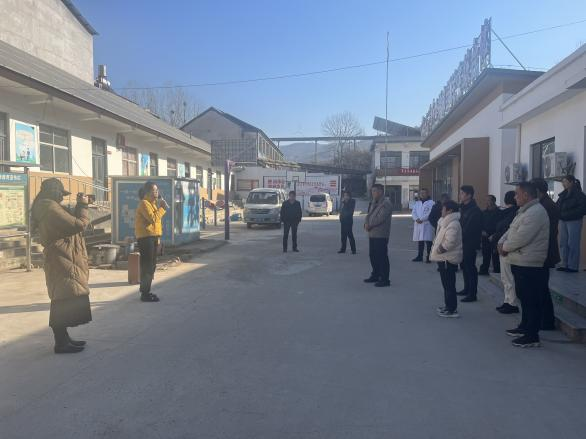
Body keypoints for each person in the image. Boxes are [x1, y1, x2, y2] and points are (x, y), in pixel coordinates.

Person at [31, 178, 92, 354]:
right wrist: (83, 206)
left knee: (64, 297)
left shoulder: (48, 206)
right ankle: (61, 343)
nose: (62, 198)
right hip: (61, 258)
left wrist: (78, 207)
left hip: (62, 256)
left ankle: (64, 339)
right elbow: (78, 224)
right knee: (61, 301)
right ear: (54, 192)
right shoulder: (50, 208)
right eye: (61, 194)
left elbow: (69, 223)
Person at [498, 182, 550, 348]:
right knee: (524, 297)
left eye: (517, 194)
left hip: (530, 264)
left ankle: (532, 335)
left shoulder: (536, 212)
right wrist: (501, 242)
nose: (515, 197)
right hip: (520, 261)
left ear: (526, 195)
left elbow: (521, 237)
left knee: (530, 300)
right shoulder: (524, 211)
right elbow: (511, 231)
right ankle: (524, 326)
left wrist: (504, 247)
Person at [532, 178, 560, 330]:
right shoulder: (542, 204)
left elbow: (546, 232)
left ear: (537, 191)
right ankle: (544, 319)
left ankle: (547, 321)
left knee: (541, 287)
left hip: (544, 251)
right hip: (542, 250)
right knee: (539, 287)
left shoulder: (547, 206)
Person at [135, 181, 168, 302]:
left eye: (157, 190)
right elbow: (153, 219)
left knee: (152, 266)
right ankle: (145, 294)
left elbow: (156, 225)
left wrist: (158, 240)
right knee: (147, 266)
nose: (157, 192)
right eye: (155, 190)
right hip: (146, 238)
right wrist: (162, 208)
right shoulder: (144, 203)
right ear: (148, 192)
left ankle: (146, 291)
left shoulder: (152, 204)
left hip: (152, 237)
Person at [430, 200, 463, 318]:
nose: (441, 211)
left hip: (447, 259)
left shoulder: (453, 223)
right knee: (446, 284)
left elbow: (450, 242)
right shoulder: (445, 221)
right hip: (444, 259)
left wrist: (440, 249)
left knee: (449, 285)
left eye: (443, 209)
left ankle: (452, 309)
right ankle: (448, 305)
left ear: (450, 211)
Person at [492, 191, 519, 314]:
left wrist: (501, 244)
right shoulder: (509, 213)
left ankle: (511, 303)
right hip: (502, 247)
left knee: (508, 278)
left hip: (507, 249)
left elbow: (506, 230)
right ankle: (507, 301)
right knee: (505, 278)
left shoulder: (513, 213)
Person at [364, 184, 393, 287]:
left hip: (381, 234)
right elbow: (368, 215)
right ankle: (375, 275)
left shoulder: (386, 203)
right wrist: (366, 224)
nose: (373, 193)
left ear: (380, 191)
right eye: (372, 191)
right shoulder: (373, 202)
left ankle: (385, 279)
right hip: (372, 234)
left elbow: (380, 218)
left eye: (374, 191)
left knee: (382, 257)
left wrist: (370, 225)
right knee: (373, 255)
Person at [457, 185, 483, 302]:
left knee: (470, 267)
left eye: (462, 193)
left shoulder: (475, 211)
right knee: (464, 266)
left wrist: (458, 236)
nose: (460, 195)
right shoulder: (463, 208)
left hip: (470, 243)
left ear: (469, 195)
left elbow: (469, 229)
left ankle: (472, 294)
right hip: (462, 242)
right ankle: (466, 288)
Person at [556, 175, 586, 273]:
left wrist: (568, 214)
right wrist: (559, 214)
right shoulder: (563, 194)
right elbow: (558, 205)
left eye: (565, 181)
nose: (563, 184)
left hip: (574, 220)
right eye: (563, 182)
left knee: (572, 243)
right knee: (563, 243)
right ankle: (563, 264)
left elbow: (582, 209)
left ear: (571, 182)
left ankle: (572, 266)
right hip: (563, 220)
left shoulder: (579, 194)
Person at [479, 195, 501, 275]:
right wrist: (482, 231)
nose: (486, 202)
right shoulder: (484, 212)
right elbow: (480, 223)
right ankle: (484, 270)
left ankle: (497, 270)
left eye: (488, 200)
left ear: (493, 201)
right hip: (485, 236)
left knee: (495, 254)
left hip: (494, 236)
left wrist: (495, 234)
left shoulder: (499, 212)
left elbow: (500, 225)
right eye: (486, 200)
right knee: (485, 253)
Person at [411, 188, 435, 262]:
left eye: (424, 193)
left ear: (427, 194)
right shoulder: (417, 203)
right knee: (420, 241)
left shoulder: (431, 203)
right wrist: (416, 219)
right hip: (418, 223)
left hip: (427, 224)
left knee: (428, 241)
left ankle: (429, 257)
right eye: (421, 193)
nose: (422, 194)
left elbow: (430, 213)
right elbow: (413, 212)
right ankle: (420, 256)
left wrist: (422, 219)